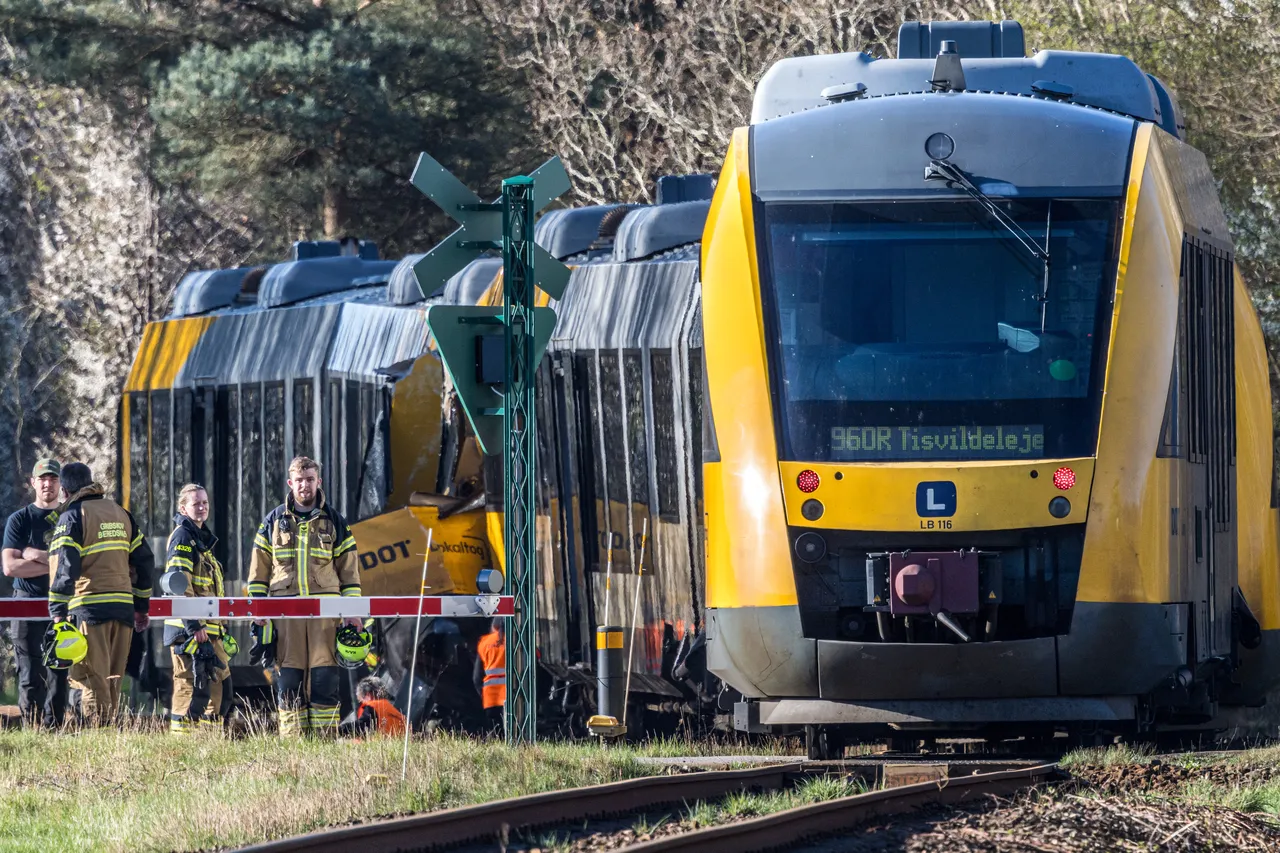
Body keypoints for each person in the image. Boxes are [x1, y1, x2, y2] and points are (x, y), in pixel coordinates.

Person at [249, 456, 360, 736]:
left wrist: (352, 610)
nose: (304, 485)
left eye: (310, 479)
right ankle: (293, 744)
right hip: (285, 616)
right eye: (299, 480)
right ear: (290, 483)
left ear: (318, 482)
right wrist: (258, 611)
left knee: (325, 678)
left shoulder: (335, 521)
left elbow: (349, 572)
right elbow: (259, 571)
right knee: (289, 678)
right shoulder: (273, 521)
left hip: (326, 615)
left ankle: (324, 743)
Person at [47, 462, 153, 725]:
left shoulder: (72, 516)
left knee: (90, 678)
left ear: (65, 490)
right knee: (112, 679)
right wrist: (141, 606)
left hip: (89, 608)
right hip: (123, 609)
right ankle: (109, 739)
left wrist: (58, 612)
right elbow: (144, 561)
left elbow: (65, 566)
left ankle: (96, 739)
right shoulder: (121, 513)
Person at [2, 459, 69, 727]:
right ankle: (34, 730)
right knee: (30, 674)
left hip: (61, 603)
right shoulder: (20, 520)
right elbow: (10, 567)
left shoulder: (69, 517)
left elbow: (78, 564)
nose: (47, 484)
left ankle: (55, 730)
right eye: (42, 479)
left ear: (60, 483)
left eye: (53, 479)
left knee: (59, 673)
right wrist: (56, 561)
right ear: (33, 483)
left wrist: (35, 555)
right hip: (26, 605)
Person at [161, 484, 230, 734]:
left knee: (219, 687)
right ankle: (182, 744)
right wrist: (194, 626)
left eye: (205, 503)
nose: (202, 507)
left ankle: (208, 744)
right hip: (189, 631)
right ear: (183, 508)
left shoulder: (200, 538)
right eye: (196, 503)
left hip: (208, 631)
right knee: (190, 689)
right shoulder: (182, 537)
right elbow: (178, 586)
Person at [474, 618, 506, 735]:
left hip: (491, 697)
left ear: (493, 627)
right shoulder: (516, 640)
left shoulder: (484, 643)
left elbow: (477, 677)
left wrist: (483, 694)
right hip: (512, 696)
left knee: (496, 734)